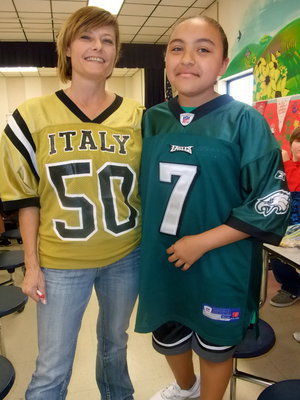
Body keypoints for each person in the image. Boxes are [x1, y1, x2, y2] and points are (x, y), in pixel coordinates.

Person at [135, 15, 290, 400]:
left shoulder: (244, 121)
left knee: (216, 344)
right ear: (166, 61)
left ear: (223, 65)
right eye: (177, 48)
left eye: (203, 49)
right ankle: (186, 388)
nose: (188, 58)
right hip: (163, 257)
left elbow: (272, 203)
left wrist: (202, 242)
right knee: (169, 333)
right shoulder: (152, 119)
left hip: (222, 261)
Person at [0, 6, 143, 400]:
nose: (97, 47)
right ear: (66, 47)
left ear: (116, 54)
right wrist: (31, 265)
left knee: (115, 345)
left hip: (124, 256)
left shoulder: (139, 117)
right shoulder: (30, 116)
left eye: (107, 40)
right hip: (60, 262)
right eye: (86, 37)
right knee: (52, 366)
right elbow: (26, 199)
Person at [269, 127, 300, 307]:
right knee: (275, 249)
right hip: (284, 219)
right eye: (298, 141)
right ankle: (291, 287)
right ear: (291, 144)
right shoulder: (282, 167)